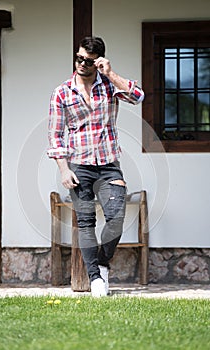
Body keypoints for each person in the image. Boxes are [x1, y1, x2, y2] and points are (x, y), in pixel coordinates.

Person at [48, 36, 144, 297]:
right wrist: (63, 169)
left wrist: (110, 73)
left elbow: (138, 96)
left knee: (116, 217)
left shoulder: (109, 86)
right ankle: (95, 279)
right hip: (79, 166)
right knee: (87, 222)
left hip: (109, 164)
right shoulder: (62, 92)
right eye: (78, 58)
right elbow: (56, 135)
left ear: (98, 61)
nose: (81, 64)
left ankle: (102, 264)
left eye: (88, 61)